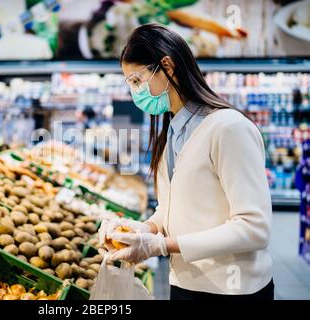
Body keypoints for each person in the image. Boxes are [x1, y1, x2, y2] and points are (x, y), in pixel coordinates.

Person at [99, 23, 274, 300]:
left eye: (136, 80)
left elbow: (254, 228)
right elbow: (172, 209)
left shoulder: (228, 128)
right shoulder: (172, 131)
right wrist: (143, 229)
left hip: (230, 288)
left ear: (167, 66)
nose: (134, 92)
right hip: (185, 283)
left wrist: (161, 246)